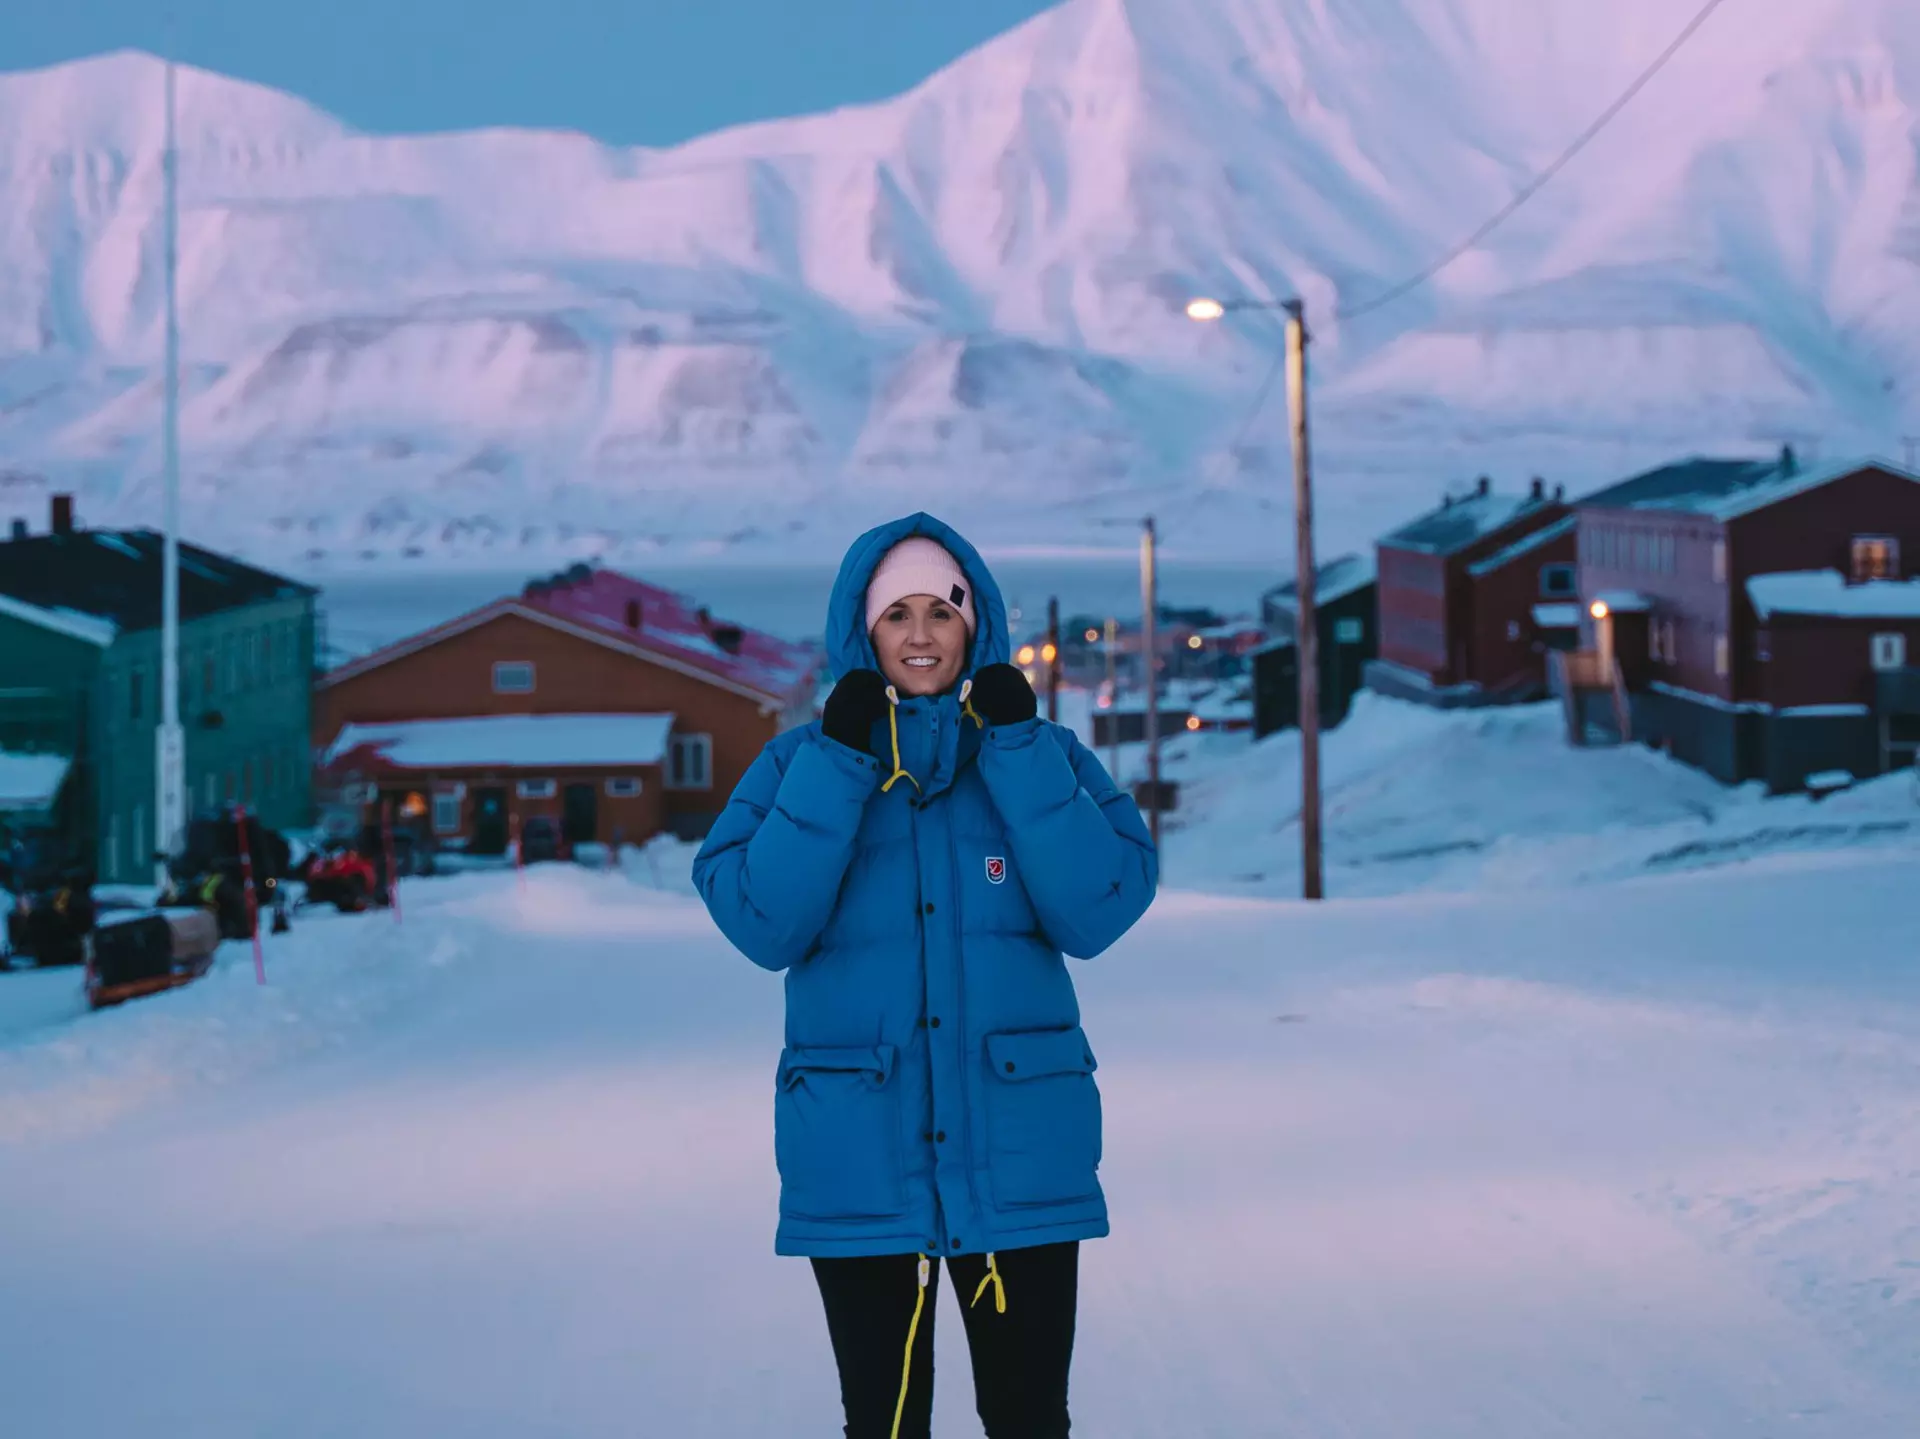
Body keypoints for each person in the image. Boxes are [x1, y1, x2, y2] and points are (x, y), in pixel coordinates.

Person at [694, 513, 1158, 1439]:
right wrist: (838, 762)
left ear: (973, 622)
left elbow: (1099, 907)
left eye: (939, 612)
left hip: (1019, 1153)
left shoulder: (1043, 754)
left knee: (1029, 1418)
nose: (918, 635)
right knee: (886, 1420)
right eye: (895, 614)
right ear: (862, 632)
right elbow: (761, 922)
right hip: (863, 1156)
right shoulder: (800, 764)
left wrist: (1021, 754)